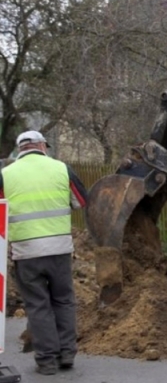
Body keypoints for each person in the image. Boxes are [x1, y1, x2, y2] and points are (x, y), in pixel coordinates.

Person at [0, 130, 88, 375]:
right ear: (42, 146)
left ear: (20, 150)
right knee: (63, 300)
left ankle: (47, 361)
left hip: (26, 252)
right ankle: (67, 354)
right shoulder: (61, 168)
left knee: (38, 305)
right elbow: (81, 201)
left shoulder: (5, 175)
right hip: (59, 250)